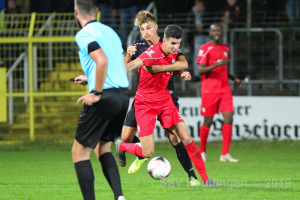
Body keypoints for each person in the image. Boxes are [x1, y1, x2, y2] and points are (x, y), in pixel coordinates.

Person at [116, 24, 217, 185]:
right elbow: (128, 67)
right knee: (148, 152)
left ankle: (206, 180)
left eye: (178, 43)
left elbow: (179, 65)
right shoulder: (149, 55)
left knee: (186, 138)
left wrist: (178, 72)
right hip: (145, 103)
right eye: (173, 44)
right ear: (164, 41)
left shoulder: (172, 53)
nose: (176, 48)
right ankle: (122, 147)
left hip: (164, 100)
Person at [72, 0, 129, 199]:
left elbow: (102, 60)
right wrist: (90, 77)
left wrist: (96, 92)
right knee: (102, 147)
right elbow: (120, 62)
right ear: (97, 11)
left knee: (79, 152)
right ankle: (119, 197)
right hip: (122, 95)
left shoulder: (84, 34)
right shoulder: (110, 31)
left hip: (105, 96)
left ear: (76, 12)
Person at [197, 23, 241, 162]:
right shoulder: (205, 49)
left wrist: (234, 78)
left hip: (225, 89)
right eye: (213, 30)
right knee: (208, 121)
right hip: (210, 90)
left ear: (221, 32)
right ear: (210, 33)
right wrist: (218, 63)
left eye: (218, 30)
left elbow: (223, 69)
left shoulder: (225, 48)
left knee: (229, 118)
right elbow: (200, 70)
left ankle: (225, 154)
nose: (216, 32)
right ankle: (202, 151)